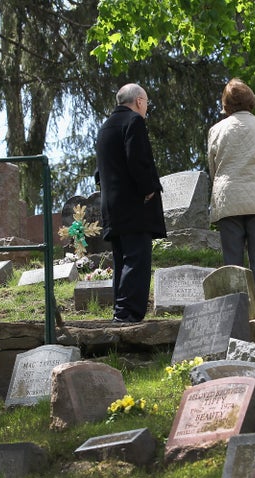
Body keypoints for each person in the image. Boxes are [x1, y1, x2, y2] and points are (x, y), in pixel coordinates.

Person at [208, 78, 255, 318]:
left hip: (228, 199)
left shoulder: (216, 130)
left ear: (226, 104)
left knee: (232, 265)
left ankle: (236, 317)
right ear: (251, 100)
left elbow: (213, 168)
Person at [95, 83, 167, 323]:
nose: (146, 108)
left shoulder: (105, 127)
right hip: (134, 205)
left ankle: (120, 311)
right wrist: (148, 189)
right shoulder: (133, 122)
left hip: (112, 206)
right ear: (138, 101)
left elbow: (99, 172)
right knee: (137, 259)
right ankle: (128, 314)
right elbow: (137, 158)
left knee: (122, 260)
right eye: (146, 102)